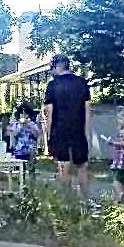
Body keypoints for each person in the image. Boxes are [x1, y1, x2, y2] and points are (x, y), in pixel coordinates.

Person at [43, 54, 92, 196]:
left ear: (58, 66)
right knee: (82, 166)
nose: (51, 72)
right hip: (78, 130)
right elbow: (88, 110)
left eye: (51, 68)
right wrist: (86, 132)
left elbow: (49, 114)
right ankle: (85, 200)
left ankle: (67, 201)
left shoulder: (52, 86)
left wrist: (49, 136)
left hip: (59, 131)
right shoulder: (82, 83)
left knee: (63, 166)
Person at [104, 110, 124, 203]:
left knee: (116, 178)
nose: (119, 121)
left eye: (121, 119)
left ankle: (120, 194)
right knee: (123, 178)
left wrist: (113, 143)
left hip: (121, 157)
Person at [8, 103, 41, 176]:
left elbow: (37, 134)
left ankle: (31, 182)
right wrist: (20, 126)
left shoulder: (33, 124)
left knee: (31, 168)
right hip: (19, 151)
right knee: (20, 171)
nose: (23, 115)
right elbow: (13, 135)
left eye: (25, 114)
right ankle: (21, 182)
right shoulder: (16, 124)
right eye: (21, 114)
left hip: (30, 151)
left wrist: (29, 125)